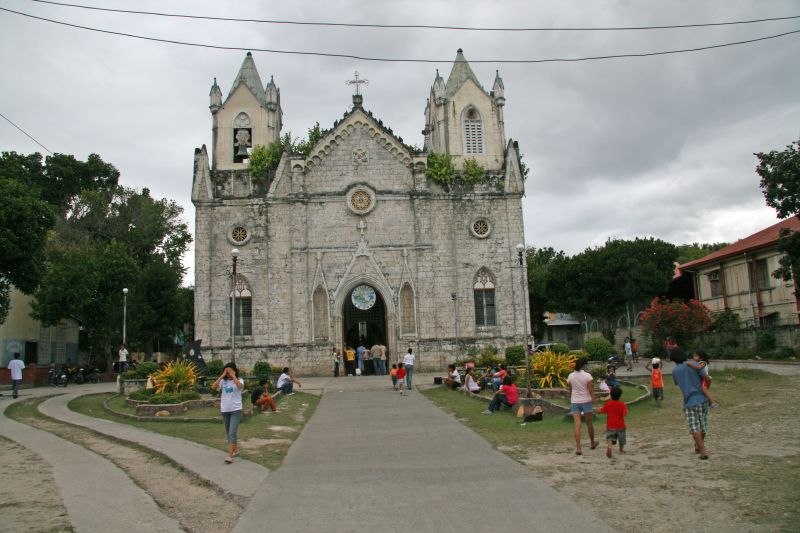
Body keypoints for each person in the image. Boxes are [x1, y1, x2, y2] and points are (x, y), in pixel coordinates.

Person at [670, 348, 710, 460]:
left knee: (694, 427)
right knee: (703, 425)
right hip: (702, 399)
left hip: (689, 401)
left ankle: (703, 451)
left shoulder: (675, 371)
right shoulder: (695, 364)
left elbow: (678, 383)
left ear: (673, 359)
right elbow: (706, 377)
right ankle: (699, 446)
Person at [212, 362, 244, 464]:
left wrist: (233, 375)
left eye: (230, 371)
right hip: (225, 410)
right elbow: (213, 386)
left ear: (234, 371)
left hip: (236, 410)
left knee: (232, 432)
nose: (228, 373)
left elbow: (240, 386)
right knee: (228, 433)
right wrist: (222, 375)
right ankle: (235, 449)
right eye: (227, 371)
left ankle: (230, 456)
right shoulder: (223, 381)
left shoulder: (239, 380)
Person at [566, 357, 598, 455]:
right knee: (589, 424)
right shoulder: (587, 376)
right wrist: (596, 404)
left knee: (577, 425)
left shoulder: (571, 376)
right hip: (586, 401)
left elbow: (571, 389)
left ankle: (578, 448)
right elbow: (590, 391)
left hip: (575, 401)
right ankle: (592, 443)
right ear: (584, 365)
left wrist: (571, 398)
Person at [598, 385, 628, 458]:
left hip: (611, 425)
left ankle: (609, 447)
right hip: (620, 425)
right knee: (621, 438)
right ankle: (621, 450)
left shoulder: (608, 404)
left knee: (610, 437)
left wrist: (599, 410)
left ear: (610, 395)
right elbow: (625, 413)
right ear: (620, 395)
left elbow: (603, 411)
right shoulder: (622, 404)